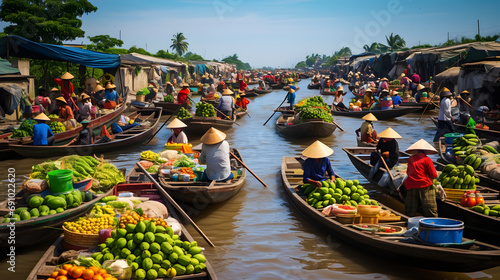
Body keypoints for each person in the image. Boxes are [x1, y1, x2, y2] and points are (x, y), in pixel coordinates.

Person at [404, 139, 439, 217]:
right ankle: (433, 222)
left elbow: (408, 172)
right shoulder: (427, 159)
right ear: (425, 151)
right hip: (424, 185)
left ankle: (408, 220)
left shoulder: (411, 158)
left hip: (411, 185)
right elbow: (434, 174)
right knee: (430, 209)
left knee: (410, 210)